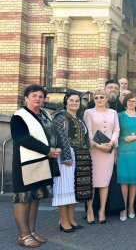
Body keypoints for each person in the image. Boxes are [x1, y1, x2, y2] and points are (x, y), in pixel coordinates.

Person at [10, 85, 61, 248]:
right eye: (34, 95)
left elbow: (52, 133)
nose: (38, 98)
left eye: (41, 96)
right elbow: (22, 138)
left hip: (43, 162)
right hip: (26, 164)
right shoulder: (19, 116)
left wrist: (56, 147)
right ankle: (23, 235)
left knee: (35, 197)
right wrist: (48, 150)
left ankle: (31, 232)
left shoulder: (45, 114)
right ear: (26, 98)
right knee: (23, 198)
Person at [52, 91, 93, 232]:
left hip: (80, 156)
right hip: (67, 156)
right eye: (71, 100)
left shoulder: (79, 118)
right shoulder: (61, 117)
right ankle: (63, 221)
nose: (74, 103)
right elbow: (61, 138)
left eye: (77, 100)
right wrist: (66, 157)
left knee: (74, 188)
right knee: (64, 188)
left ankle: (71, 218)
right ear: (66, 102)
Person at [83, 89, 120, 224]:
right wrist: (97, 145)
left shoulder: (113, 112)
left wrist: (111, 143)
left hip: (108, 151)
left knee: (105, 182)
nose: (99, 99)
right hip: (95, 151)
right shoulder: (89, 112)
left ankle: (102, 210)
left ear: (106, 99)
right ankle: (90, 210)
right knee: (92, 182)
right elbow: (89, 131)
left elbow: (116, 130)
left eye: (102, 97)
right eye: (97, 97)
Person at [117, 93, 136, 221]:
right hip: (124, 150)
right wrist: (124, 138)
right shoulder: (119, 116)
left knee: (134, 181)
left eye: (134, 101)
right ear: (126, 102)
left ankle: (131, 207)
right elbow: (115, 133)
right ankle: (123, 207)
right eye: (129, 101)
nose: (131, 103)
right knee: (124, 181)